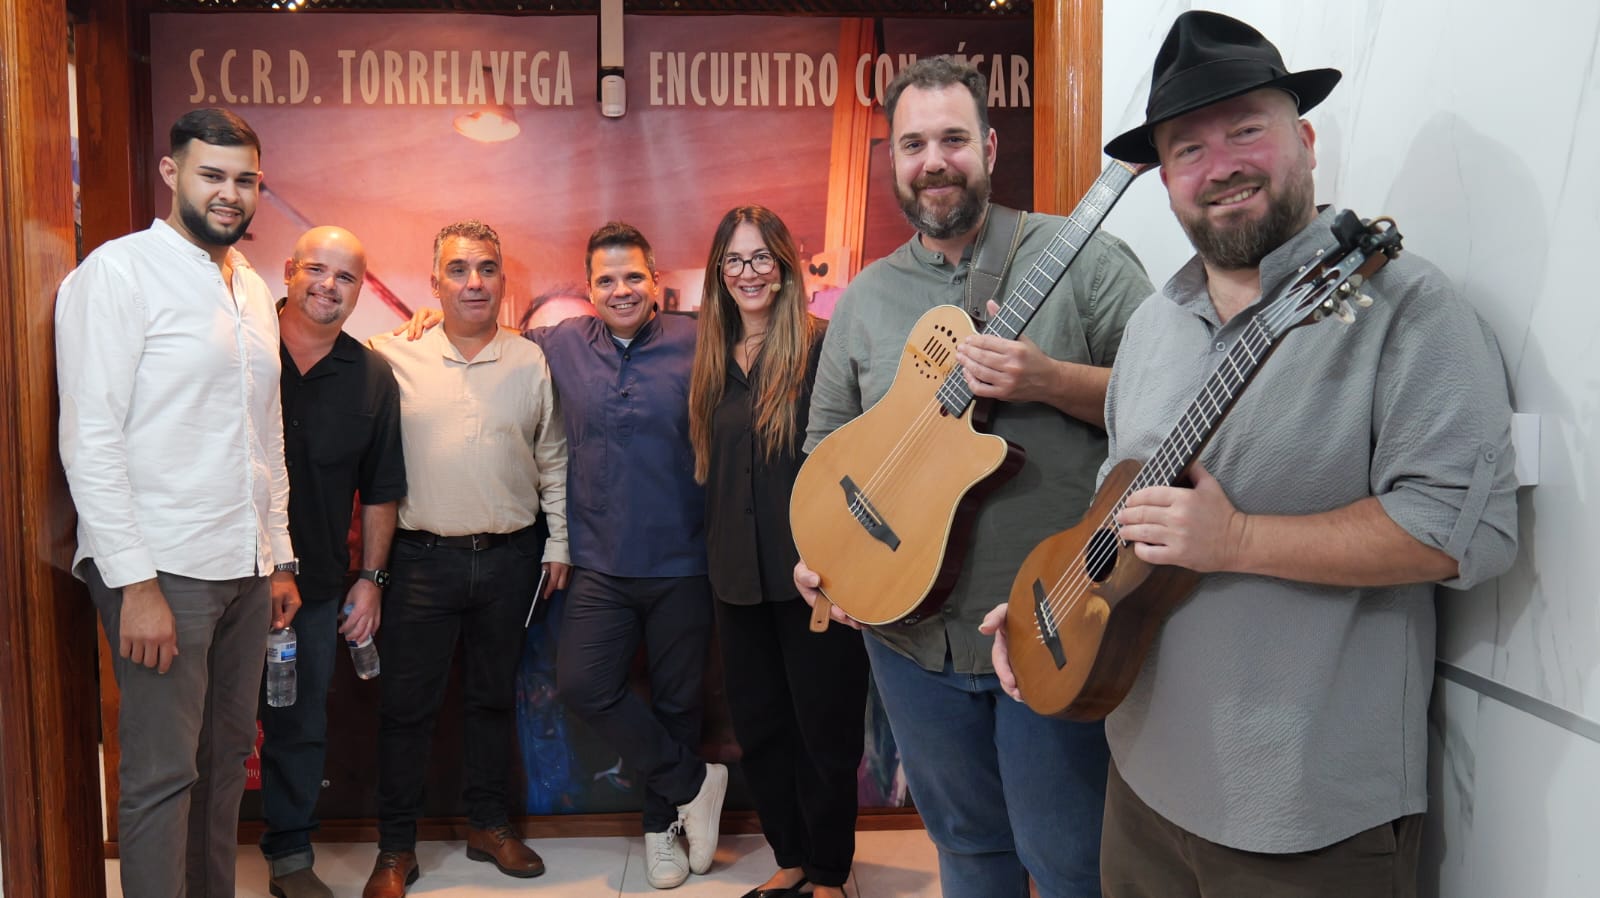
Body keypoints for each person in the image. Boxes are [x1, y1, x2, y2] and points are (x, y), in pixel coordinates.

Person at [985, 12, 1519, 897]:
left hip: (1307, 817)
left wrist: (1237, 542)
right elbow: (1122, 513)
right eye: (1187, 148)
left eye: (1246, 129)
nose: (1220, 163)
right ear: (1164, 183)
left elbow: (1460, 533)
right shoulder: (1152, 326)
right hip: (1142, 783)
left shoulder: (1407, 308)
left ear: (1302, 140)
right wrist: (1058, 607)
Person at [794, 57, 1153, 897]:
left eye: (953, 138)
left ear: (988, 146)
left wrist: (1048, 380)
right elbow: (823, 447)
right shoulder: (865, 300)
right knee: (966, 851)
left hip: (1047, 628)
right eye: (914, 143)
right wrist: (822, 557)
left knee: (1069, 864)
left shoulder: (1086, 261)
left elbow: (1171, 409)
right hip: (910, 642)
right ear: (893, 160)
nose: (934, 161)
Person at [398, 222, 728, 890]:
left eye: (633, 276)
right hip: (599, 563)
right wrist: (433, 320)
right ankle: (697, 782)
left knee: (677, 703)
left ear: (655, 277)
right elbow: (486, 332)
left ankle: (661, 826)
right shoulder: (559, 344)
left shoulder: (701, 342)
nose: (621, 290)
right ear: (589, 289)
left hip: (684, 563)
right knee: (584, 683)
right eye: (605, 280)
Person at [55, 107, 301, 898]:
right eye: (213, 176)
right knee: (163, 775)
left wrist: (281, 557)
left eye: (244, 180)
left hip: (245, 564)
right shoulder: (116, 274)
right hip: (162, 570)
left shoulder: (254, 290)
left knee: (226, 761)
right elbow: (89, 436)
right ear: (172, 174)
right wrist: (134, 583)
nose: (230, 194)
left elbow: (267, 437)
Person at [362, 220, 569, 898]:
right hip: (421, 562)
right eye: (458, 270)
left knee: (490, 700)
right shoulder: (392, 355)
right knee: (406, 709)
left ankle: (488, 824)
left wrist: (560, 541)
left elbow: (553, 458)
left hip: (511, 558)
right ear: (434, 283)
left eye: (485, 269)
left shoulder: (529, 360)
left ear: (503, 279)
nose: (473, 282)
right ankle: (396, 849)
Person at [688, 206, 869, 898]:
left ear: (788, 266)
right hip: (735, 580)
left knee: (825, 733)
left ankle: (826, 873)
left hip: (815, 580)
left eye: (761, 257)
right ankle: (789, 857)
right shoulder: (710, 359)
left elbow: (856, 459)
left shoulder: (822, 347)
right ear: (718, 273)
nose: (748, 273)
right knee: (760, 730)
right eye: (734, 260)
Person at [259, 226, 407, 898]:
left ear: (361, 290)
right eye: (317, 269)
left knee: (299, 726)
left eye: (346, 277)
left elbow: (380, 490)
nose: (328, 286)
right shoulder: (240, 343)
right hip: (222, 576)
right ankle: (189, 858)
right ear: (289, 271)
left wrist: (371, 580)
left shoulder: (372, 374)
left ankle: (290, 856)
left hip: (315, 588)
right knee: (206, 723)